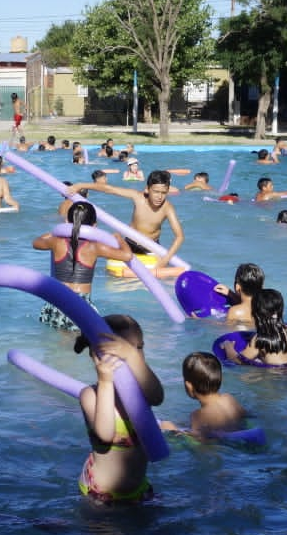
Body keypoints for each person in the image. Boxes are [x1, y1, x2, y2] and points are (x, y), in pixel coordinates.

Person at [75, 314, 165, 504]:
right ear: (97, 356)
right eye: (123, 352)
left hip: (139, 489)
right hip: (101, 496)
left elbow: (157, 398)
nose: (135, 356)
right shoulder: (90, 395)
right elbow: (105, 434)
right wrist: (105, 382)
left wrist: (132, 356)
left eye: (139, 348)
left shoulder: (142, 390)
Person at [32, 200, 134, 331]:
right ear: (94, 226)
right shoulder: (95, 247)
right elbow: (127, 256)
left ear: (66, 222)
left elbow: (36, 243)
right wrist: (119, 239)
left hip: (56, 302)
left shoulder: (55, 241)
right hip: (80, 304)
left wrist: (53, 233)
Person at [68, 170, 185, 279]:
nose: (159, 196)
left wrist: (164, 260)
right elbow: (110, 189)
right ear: (147, 190)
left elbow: (179, 236)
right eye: (156, 192)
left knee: (166, 278)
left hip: (151, 247)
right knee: (114, 275)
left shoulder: (167, 208)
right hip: (130, 244)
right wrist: (81, 185)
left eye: (164, 193)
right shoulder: (138, 197)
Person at [158, 352, 248, 439]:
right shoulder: (229, 398)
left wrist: (174, 430)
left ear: (189, 386)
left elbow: (200, 445)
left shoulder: (198, 416)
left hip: (223, 445)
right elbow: (245, 415)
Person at [219, 288, 287, 367]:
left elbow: (238, 360)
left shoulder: (259, 340)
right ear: (281, 311)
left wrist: (228, 346)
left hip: (278, 379)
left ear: (255, 314)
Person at [213, 262, 264, 326]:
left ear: (237, 287)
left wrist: (198, 319)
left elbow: (225, 331)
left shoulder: (235, 312)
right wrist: (231, 294)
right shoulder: (266, 307)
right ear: (262, 287)